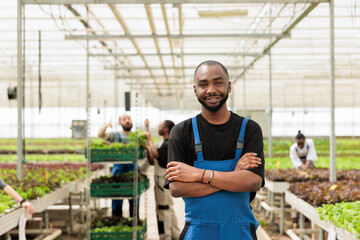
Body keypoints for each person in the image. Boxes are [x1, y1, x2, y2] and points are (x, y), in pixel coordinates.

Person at [164, 60, 264, 240]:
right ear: (195, 90)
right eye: (203, 84)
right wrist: (234, 176)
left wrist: (197, 174)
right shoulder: (181, 132)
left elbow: (252, 182)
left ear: (229, 86)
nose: (211, 90)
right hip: (198, 231)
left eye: (218, 82)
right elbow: (177, 188)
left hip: (240, 232)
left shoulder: (249, 129)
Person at [144, 119, 181, 240]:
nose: (158, 128)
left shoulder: (168, 143)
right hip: (163, 180)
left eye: (160, 126)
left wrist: (149, 139)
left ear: (166, 129)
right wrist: (147, 128)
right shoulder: (166, 143)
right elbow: (153, 159)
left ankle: (165, 236)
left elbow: (157, 156)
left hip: (162, 181)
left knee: (163, 208)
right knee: (168, 207)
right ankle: (175, 235)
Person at [98, 114, 138, 218]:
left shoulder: (136, 137)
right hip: (118, 173)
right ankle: (117, 223)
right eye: (124, 119)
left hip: (133, 173)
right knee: (117, 201)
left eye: (129, 118)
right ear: (120, 123)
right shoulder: (115, 135)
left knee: (134, 204)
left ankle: (133, 228)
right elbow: (100, 134)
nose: (127, 121)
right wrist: (107, 125)